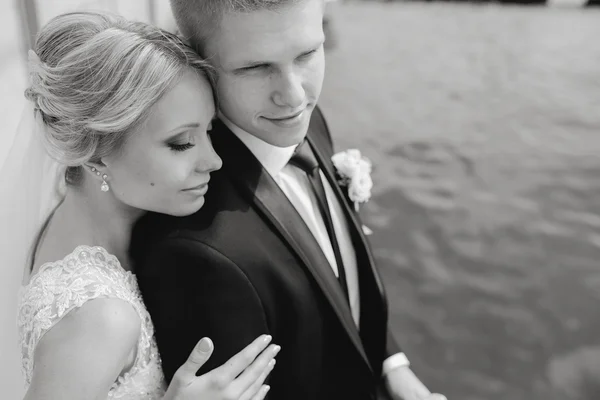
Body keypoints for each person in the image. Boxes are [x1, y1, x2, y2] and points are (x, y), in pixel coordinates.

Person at [131, 0, 446, 399]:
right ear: (196, 63)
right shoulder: (192, 250)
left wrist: (393, 368)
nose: (294, 95)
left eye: (308, 54)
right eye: (255, 68)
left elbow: (338, 290)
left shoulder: (307, 121)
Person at [0, 11, 280, 400]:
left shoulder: (65, 215)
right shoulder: (101, 319)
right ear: (96, 157)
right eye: (181, 143)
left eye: (208, 131)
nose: (213, 161)